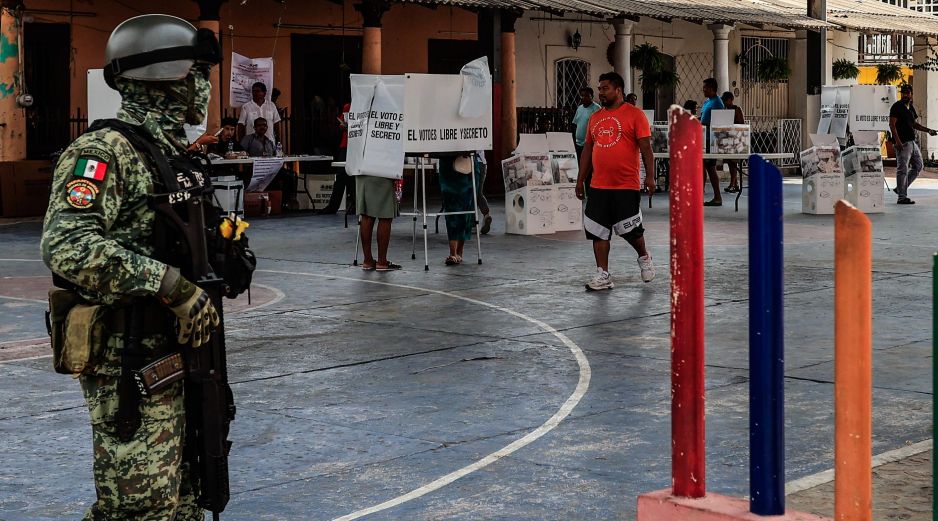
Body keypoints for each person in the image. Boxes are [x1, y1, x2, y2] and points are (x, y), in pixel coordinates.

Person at [40, 14, 221, 520]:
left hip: (181, 354)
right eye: (199, 75)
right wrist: (172, 286)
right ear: (171, 79)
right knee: (139, 509)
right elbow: (67, 243)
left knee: (185, 499)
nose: (204, 89)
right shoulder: (104, 152)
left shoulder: (171, 157)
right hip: (129, 358)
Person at [575, 71, 657, 291]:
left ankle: (644, 256)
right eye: (599, 89)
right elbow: (587, 151)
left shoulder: (635, 115)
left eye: (605, 89)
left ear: (618, 90)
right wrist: (580, 180)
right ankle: (603, 274)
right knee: (598, 231)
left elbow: (646, 148)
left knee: (631, 230)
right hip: (598, 185)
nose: (601, 93)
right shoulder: (595, 117)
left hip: (625, 185)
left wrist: (650, 177)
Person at [889, 84, 936, 205]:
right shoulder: (897, 106)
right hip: (902, 143)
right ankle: (902, 197)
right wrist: (897, 141)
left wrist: (928, 130)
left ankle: (900, 188)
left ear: (911, 94)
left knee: (918, 166)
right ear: (901, 94)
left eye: (907, 93)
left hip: (912, 142)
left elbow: (914, 124)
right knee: (902, 169)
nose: (905, 95)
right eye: (903, 93)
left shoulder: (910, 107)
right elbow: (892, 125)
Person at [356, 173, 400, 271]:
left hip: (363, 171)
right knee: (385, 215)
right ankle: (382, 262)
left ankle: (368, 261)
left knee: (366, 215)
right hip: (383, 171)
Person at [318, 102, 355, 215]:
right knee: (341, 175)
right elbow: (341, 124)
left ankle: (355, 204)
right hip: (346, 144)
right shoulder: (348, 106)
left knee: (353, 176)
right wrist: (344, 126)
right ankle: (333, 206)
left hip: (356, 145)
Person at [438, 155, 476, 265]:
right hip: (449, 164)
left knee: (465, 209)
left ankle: (458, 252)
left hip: (467, 163)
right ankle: (453, 253)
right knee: (452, 209)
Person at [700, 78, 725, 207]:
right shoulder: (707, 102)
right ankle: (700, 194)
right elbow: (702, 117)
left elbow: (719, 123)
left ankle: (717, 197)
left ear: (711, 88)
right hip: (703, 139)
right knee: (702, 167)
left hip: (711, 141)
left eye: (705, 87)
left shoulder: (717, 103)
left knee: (710, 168)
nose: (703, 90)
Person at [721, 91, 745, 193]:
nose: (725, 103)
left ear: (731, 100)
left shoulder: (737, 109)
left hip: (736, 139)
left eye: (726, 100)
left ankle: (732, 183)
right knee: (730, 163)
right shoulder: (725, 110)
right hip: (728, 139)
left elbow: (741, 124)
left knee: (734, 163)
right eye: (724, 101)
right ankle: (735, 183)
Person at [571, 87, 602, 158]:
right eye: (582, 95)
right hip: (578, 143)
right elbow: (575, 124)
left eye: (587, 96)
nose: (584, 98)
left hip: (589, 144)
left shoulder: (597, 108)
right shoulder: (579, 108)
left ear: (592, 96)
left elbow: (599, 127)